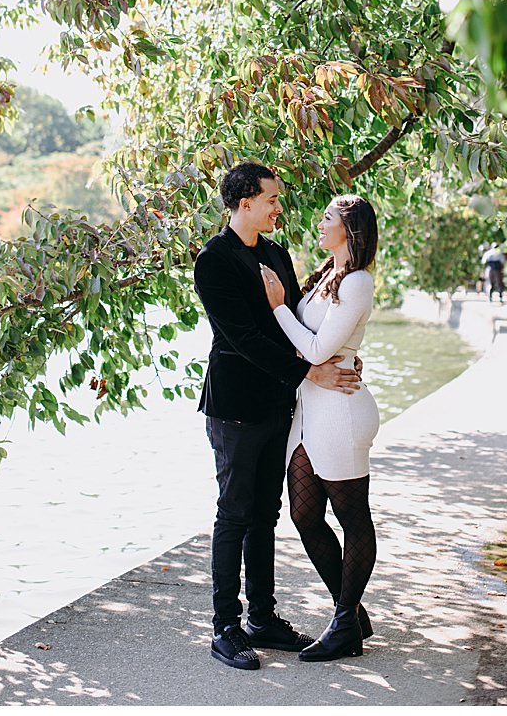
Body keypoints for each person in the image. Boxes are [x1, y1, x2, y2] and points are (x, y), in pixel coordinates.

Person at [192, 162, 363, 671]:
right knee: (235, 512)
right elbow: (242, 338)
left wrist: (339, 355)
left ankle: (262, 618)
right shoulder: (213, 261)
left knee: (265, 514)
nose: (278, 207)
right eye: (271, 199)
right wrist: (311, 374)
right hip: (236, 409)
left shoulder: (275, 253)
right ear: (245, 201)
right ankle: (226, 626)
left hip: (278, 405)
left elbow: (293, 321)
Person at [259, 195, 382, 662]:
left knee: (353, 518)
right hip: (310, 410)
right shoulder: (324, 278)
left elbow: (315, 349)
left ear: (349, 229)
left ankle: (343, 622)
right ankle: (349, 613)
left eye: (328, 217)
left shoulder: (358, 283)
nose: (320, 222)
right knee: (305, 516)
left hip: (342, 411)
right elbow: (309, 348)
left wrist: (277, 307)